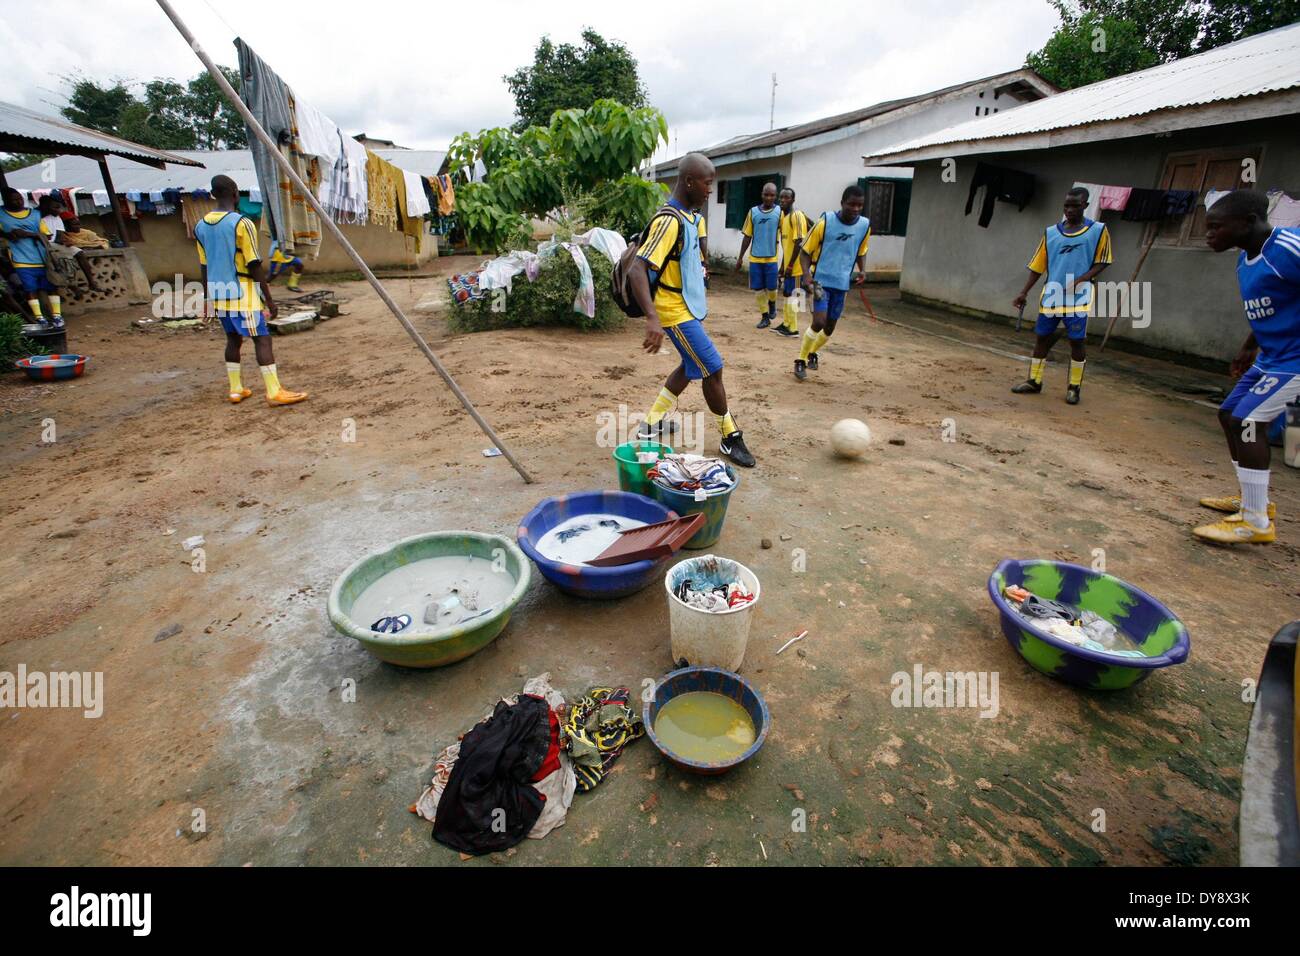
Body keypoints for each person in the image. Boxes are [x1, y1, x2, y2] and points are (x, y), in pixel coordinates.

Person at [628, 152, 755, 468]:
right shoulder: (669, 220)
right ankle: (729, 437)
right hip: (672, 310)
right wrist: (652, 317)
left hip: (685, 306)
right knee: (712, 367)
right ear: (689, 181)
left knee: (690, 365)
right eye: (708, 183)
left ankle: (652, 422)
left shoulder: (688, 217)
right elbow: (636, 269)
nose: (710, 190)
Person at [1194, 189, 1300, 545]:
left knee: (1249, 422)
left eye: (1215, 227)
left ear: (1248, 222)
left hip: (1295, 360)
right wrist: (1247, 348)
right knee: (1229, 416)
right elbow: (1266, 308)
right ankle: (1255, 501)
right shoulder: (1245, 258)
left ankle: (1255, 523)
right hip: (1271, 357)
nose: (1209, 234)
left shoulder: (1287, 248)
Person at [195, 175, 307, 406]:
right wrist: (269, 299)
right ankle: (274, 391)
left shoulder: (200, 225)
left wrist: (208, 299)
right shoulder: (241, 223)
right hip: (242, 294)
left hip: (218, 294)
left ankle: (236, 390)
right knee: (262, 340)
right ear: (236, 193)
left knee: (233, 340)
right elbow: (254, 264)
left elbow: (204, 266)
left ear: (214, 195)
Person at [1011, 187, 1113, 405]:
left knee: (1077, 341)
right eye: (1066, 205)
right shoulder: (1051, 233)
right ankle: (1034, 381)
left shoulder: (1098, 230)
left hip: (1079, 297)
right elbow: (1038, 265)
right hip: (1052, 295)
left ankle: (1074, 388)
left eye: (1075, 205)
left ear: (1085, 206)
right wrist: (1023, 291)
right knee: (1041, 338)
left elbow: (1103, 260)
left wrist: (1082, 278)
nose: (1069, 209)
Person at [794, 184, 871, 381]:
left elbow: (861, 251)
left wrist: (862, 270)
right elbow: (805, 251)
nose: (855, 209)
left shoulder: (864, 226)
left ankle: (813, 353)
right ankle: (800, 360)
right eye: (851, 204)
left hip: (842, 284)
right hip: (820, 281)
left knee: (829, 328)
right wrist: (806, 275)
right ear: (842, 203)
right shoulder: (825, 222)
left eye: (859, 205)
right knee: (819, 321)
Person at [0, 187, 61, 327]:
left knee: (51, 285)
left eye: (19, 199)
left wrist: (27, 234)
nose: (18, 202)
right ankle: (40, 318)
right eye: (14, 200)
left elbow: (47, 235)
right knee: (30, 289)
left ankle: (57, 316)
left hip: (41, 256)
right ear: (6, 201)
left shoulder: (34, 214)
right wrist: (8, 234)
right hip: (20, 258)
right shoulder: (1, 214)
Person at [735, 182, 782, 328]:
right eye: (766, 194)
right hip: (755, 257)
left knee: (772, 288)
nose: (769, 198)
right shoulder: (753, 212)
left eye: (772, 195)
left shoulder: (780, 212)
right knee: (758, 289)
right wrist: (740, 257)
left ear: (776, 196)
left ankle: (772, 303)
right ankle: (764, 317)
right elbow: (747, 236)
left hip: (771, 257)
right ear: (762, 195)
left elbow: (786, 233)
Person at [38, 196, 100, 292]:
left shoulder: (57, 218)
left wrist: (66, 241)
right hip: (47, 245)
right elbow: (47, 237)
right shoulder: (39, 218)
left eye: (59, 207)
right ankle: (72, 287)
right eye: (55, 207)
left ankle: (91, 282)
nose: (59, 210)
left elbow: (60, 234)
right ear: (46, 207)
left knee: (79, 253)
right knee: (64, 262)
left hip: (57, 244)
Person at [774, 186, 809, 338]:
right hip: (789, 265)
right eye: (781, 197)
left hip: (798, 267)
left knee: (795, 295)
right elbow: (786, 246)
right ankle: (786, 323)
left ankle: (793, 328)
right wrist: (783, 265)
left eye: (786, 197)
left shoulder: (797, 216)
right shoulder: (784, 218)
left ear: (793, 200)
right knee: (787, 293)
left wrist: (790, 265)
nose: (783, 200)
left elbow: (799, 242)